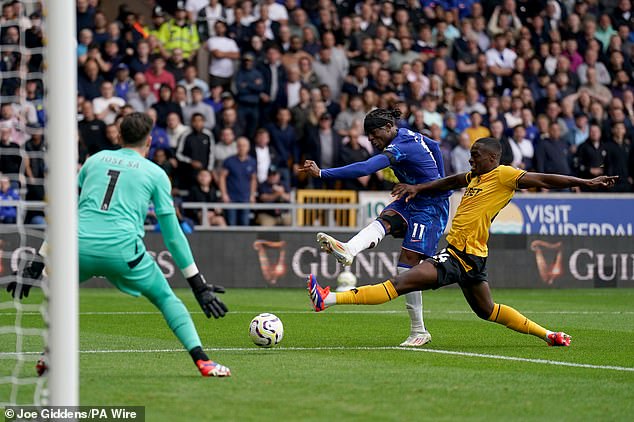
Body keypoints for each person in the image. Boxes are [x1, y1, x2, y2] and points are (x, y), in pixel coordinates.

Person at [308, 137, 618, 347]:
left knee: (401, 282)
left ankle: (329, 299)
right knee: (488, 311)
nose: (471, 161)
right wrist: (420, 188)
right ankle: (549, 335)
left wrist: (585, 181)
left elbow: (547, 179)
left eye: (476, 157)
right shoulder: (473, 177)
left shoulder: (505, 175)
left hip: (460, 256)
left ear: (493, 158)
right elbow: (452, 181)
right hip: (473, 258)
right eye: (470, 156)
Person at [9, 113, 230, 377]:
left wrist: (40, 258)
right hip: (123, 251)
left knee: (62, 297)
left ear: (119, 136)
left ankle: (51, 354)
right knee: (166, 298)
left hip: (78, 248)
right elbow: (172, 236)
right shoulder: (156, 173)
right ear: (149, 142)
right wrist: (198, 285)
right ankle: (203, 361)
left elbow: (66, 211)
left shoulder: (94, 161)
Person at [299, 108, 450, 347]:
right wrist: (436, 179)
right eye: (367, 134)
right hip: (413, 197)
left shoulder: (400, 146)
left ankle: (419, 330)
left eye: (373, 133)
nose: (370, 139)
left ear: (389, 127)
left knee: (406, 267)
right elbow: (434, 145)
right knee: (388, 217)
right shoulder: (409, 135)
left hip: (431, 207)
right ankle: (349, 249)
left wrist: (321, 173)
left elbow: (365, 168)